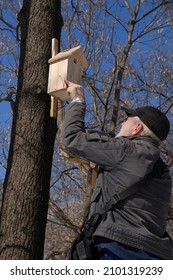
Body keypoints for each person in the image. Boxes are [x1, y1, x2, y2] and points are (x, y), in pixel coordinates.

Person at [61, 80, 173, 260]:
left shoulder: (125, 150)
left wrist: (77, 100)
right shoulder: (163, 171)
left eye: (126, 120)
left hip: (118, 249)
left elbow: (72, 137)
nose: (121, 124)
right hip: (157, 255)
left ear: (137, 128)